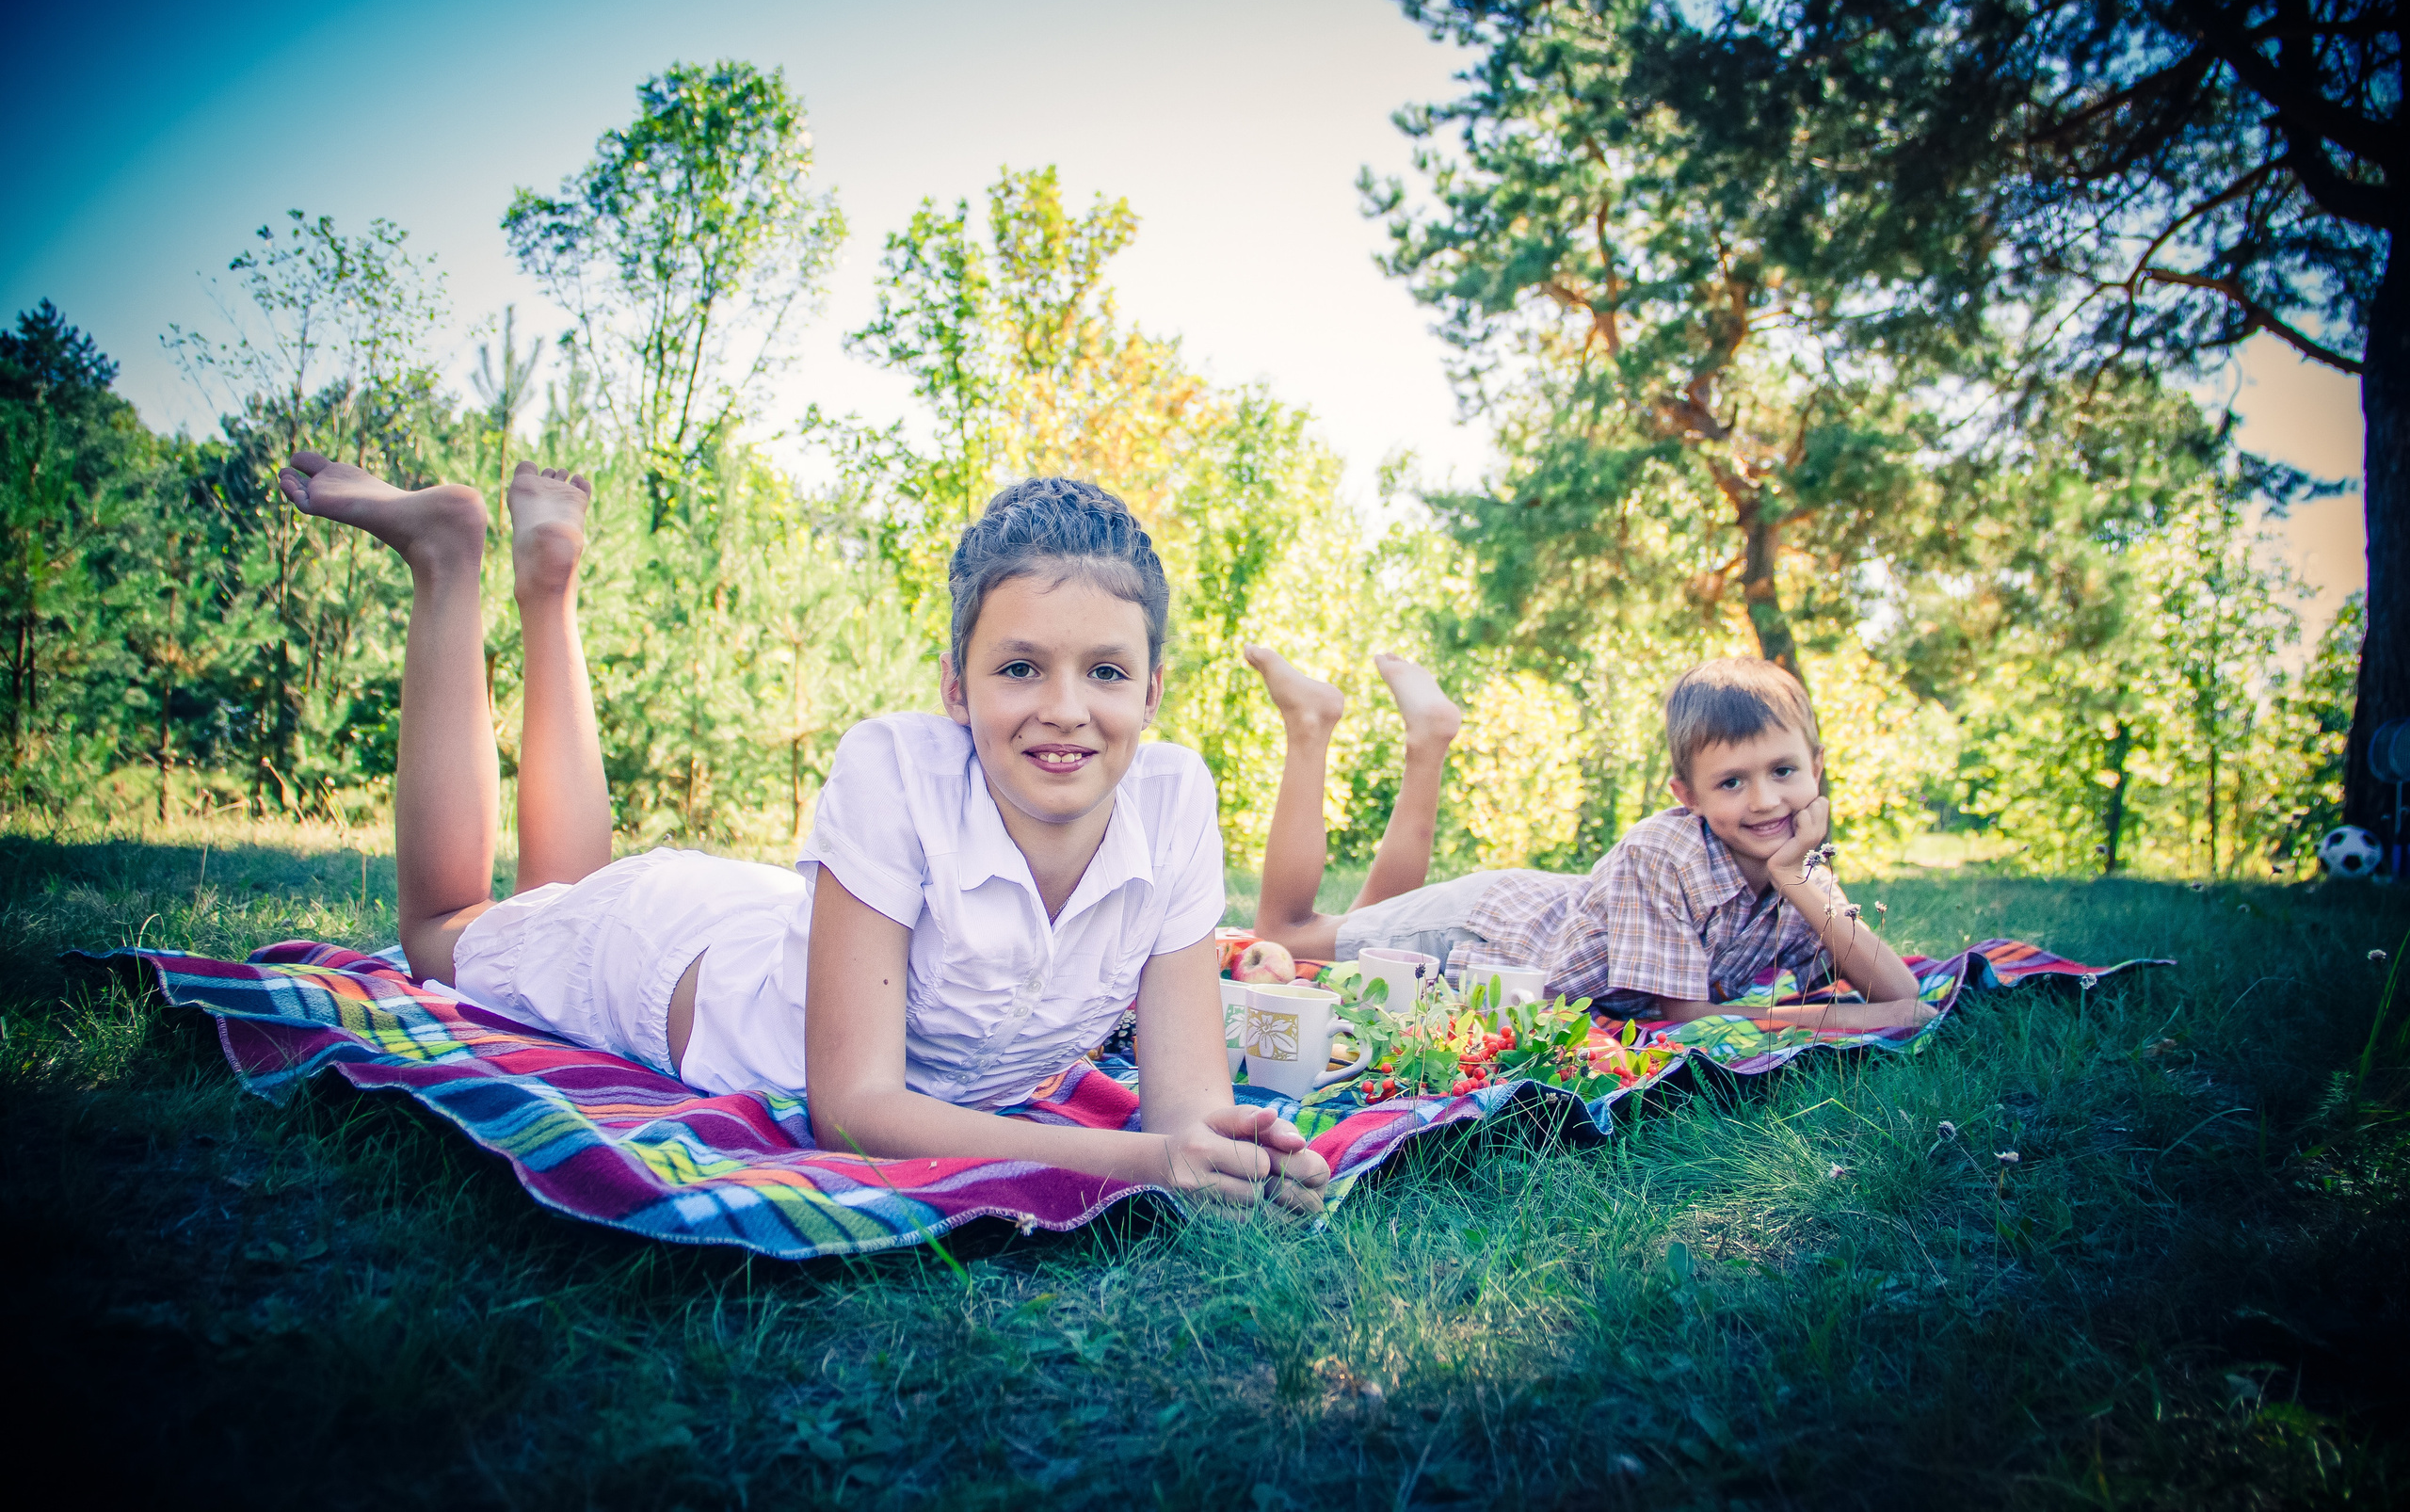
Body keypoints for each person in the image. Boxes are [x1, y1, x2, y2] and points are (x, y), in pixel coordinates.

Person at [274, 453, 1329, 1211]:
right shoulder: (893, 767)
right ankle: (449, 561)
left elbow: (1186, 1101)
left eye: (1104, 670)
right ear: (955, 690)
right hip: (670, 963)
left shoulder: (1178, 799)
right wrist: (1146, 1166)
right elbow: (856, 1109)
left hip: (795, 932)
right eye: (1019, 667)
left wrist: (1228, 1147)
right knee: (452, 930)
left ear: (1153, 690)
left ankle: (550, 587)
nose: (1064, 706)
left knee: (560, 883)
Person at [1247, 651, 1935, 1033]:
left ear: (1816, 766)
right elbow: (1689, 1020)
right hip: (1489, 930)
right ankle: (1312, 722)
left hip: (1532, 920)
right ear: (1686, 796)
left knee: (1360, 927)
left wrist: (1803, 882)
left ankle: (1428, 737)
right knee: (1283, 933)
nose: (1764, 800)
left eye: (1783, 771)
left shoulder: (1796, 862)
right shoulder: (1665, 853)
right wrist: (1825, 1021)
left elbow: (1901, 994)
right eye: (1731, 782)